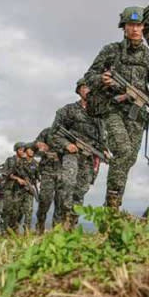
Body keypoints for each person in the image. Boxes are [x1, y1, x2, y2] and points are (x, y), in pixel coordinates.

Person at [82, 7, 149, 209]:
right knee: (123, 150)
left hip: (137, 114)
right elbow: (88, 77)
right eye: (131, 25)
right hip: (113, 108)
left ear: (144, 27)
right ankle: (112, 206)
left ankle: (113, 203)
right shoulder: (110, 51)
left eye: (138, 25)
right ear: (124, 27)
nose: (135, 29)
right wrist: (102, 79)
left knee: (128, 159)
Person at [49, 83, 109, 228]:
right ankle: (60, 223)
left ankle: (71, 225)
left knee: (80, 191)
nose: (88, 90)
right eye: (85, 87)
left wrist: (105, 149)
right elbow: (54, 133)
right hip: (72, 155)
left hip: (89, 157)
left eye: (90, 88)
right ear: (79, 91)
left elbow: (102, 137)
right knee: (68, 185)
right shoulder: (68, 110)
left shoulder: (99, 114)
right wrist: (66, 145)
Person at [34, 127, 63, 234]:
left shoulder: (73, 133)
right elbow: (34, 146)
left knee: (61, 202)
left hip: (65, 171)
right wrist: (39, 146)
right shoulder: (47, 131)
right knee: (45, 199)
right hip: (48, 170)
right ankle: (40, 223)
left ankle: (57, 230)